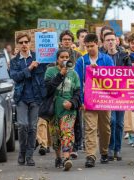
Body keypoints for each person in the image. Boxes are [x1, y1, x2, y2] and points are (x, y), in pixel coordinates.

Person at [74, 33, 114, 168]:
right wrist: (80, 101)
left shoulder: (107, 59)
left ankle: (104, 151)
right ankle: (90, 155)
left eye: (92, 46)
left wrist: (100, 71)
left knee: (105, 128)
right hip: (89, 100)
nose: (90, 49)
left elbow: (113, 79)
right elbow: (78, 82)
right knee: (90, 128)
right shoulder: (82, 61)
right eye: (87, 46)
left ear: (97, 44)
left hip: (104, 100)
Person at [10, 33, 47, 166]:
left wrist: (50, 45)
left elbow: (50, 63)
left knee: (32, 127)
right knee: (22, 125)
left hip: (36, 97)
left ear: (30, 43)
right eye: (21, 42)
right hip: (21, 98)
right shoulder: (14, 61)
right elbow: (15, 76)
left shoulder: (39, 57)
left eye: (26, 42)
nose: (24, 44)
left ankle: (30, 156)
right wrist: (30, 68)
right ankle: (22, 152)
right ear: (18, 45)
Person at [45, 49, 81, 171]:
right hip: (54, 109)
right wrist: (61, 74)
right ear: (57, 59)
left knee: (67, 132)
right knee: (55, 136)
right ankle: (58, 157)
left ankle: (66, 158)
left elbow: (77, 93)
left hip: (69, 110)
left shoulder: (74, 74)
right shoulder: (50, 72)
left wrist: (72, 103)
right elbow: (48, 90)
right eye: (62, 57)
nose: (65, 59)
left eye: (67, 57)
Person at [103, 32, 131, 161]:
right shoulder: (102, 57)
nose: (110, 42)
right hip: (107, 95)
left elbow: (130, 73)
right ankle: (110, 147)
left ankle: (117, 149)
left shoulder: (124, 56)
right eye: (107, 40)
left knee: (119, 123)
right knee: (111, 121)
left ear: (117, 41)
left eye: (112, 40)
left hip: (121, 94)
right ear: (104, 42)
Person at [59, 30, 82, 158]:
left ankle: (75, 147)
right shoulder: (56, 55)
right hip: (61, 93)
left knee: (77, 120)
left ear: (72, 41)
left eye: (69, 39)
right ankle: (65, 147)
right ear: (61, 41)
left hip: (74, 91)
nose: (67, 41)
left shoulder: (78, 55)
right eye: (64, 39)